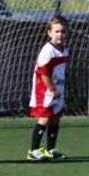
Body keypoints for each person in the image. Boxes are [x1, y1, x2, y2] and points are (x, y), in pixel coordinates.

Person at [27, 15, 70, 161]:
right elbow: (43, 73)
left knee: (55, 118)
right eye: (57, 31)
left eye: (63, 32)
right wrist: (51, 89)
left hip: (58, 90)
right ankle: (33, 150)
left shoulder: (65, 49)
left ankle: (51, 150)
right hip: (44, 90)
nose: (60, 35)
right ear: (49, 33)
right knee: (44, 118)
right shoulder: (47, 51)